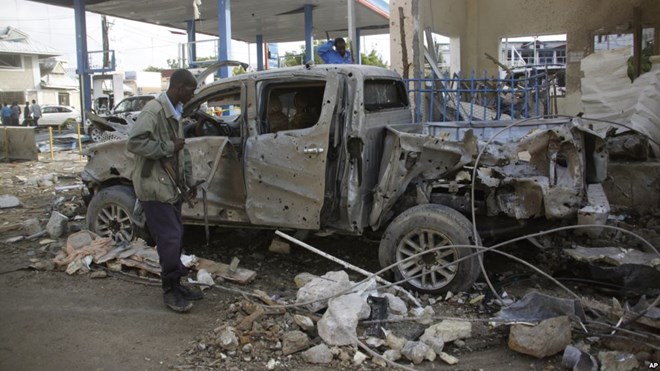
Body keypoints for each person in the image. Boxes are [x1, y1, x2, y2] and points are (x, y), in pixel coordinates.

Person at [127, 69, 202, 313]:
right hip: (154, 186)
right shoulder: (154, 110)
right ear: (179, 87)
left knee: (176, 236)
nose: (193, 94)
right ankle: (170, 290)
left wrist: (188, 182)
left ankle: (177, 284)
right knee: (169, 238)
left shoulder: (175, 111)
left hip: (170, 185)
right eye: (191, 90)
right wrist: (167, 146)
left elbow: (182, 152)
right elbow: (135, 143)